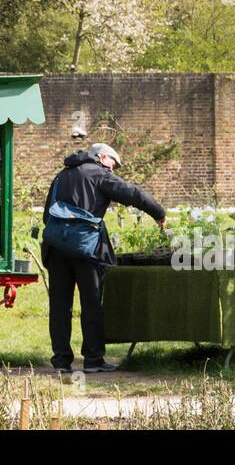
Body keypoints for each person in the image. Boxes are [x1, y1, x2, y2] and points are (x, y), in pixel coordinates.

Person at [42, 142, 165, 373]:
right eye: (113, 163)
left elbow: (47, 211)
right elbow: (133, 194)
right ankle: (93, 360)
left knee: (59, 307)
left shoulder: (61, 175)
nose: (113, 169)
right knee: (92, 304)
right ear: (101, 157)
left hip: (55, 248)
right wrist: (158, 212)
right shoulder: (99, 174)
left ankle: (61, 361)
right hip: (86, 250)